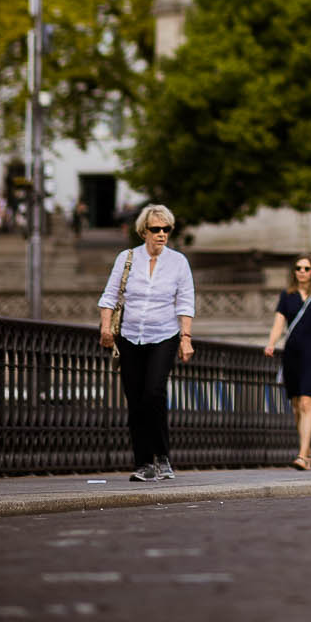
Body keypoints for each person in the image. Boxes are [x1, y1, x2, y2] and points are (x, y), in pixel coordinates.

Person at [98, 203, 195, 483]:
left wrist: (185, 338)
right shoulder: (127, 258)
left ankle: (162, 456)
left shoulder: (178, 263)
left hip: (164, 335)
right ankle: (143, 463)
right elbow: (109, 296)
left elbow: (185, 302)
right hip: (129, 336)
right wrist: (106, 328)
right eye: (156, 229)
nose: (162, 234)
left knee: (154, 392)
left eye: (167, 229)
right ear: (144, 231)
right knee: (136, 400)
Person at [265, 255, 311, 470]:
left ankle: (303, 455)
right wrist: (271, 343)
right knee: (296, 405)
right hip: (292, 353)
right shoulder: (287, 295)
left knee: (307, 402)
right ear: (294, 271)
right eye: (298, 268)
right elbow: (279, 323)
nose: (302, 271)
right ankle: (307, 450)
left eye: (306, 268)